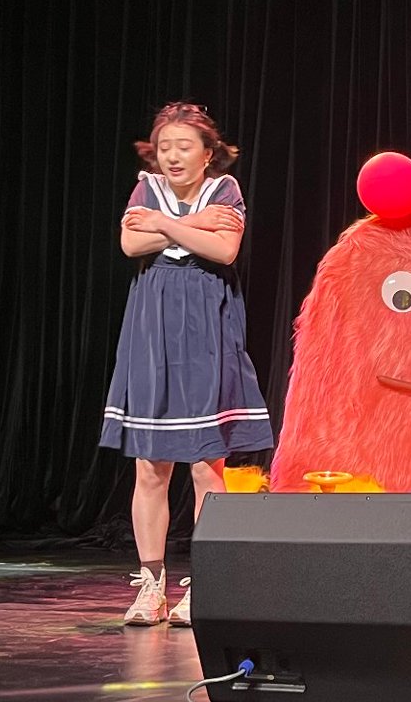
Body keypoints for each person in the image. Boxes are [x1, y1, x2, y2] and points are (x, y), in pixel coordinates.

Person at [101, 102, 274, 627]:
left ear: (207, 153)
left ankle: (205, 584)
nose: (172, 156)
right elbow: (131, 243)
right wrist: (188, 223)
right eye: (164, 147)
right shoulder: (146, 190)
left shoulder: (225, 190)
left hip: (206, 327)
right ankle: (151, 586)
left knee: (205, 464)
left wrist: (164, 226)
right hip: (151, 328)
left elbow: (223, 252)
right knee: (150, 465)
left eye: (184, 147)